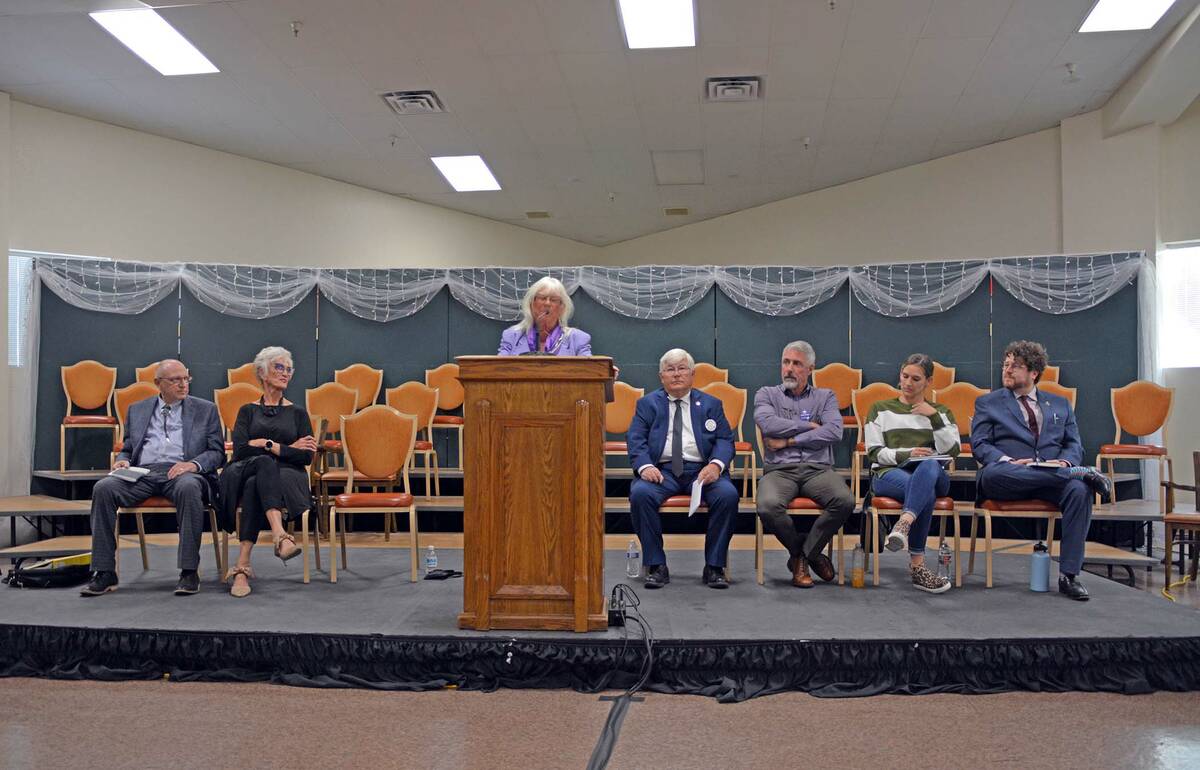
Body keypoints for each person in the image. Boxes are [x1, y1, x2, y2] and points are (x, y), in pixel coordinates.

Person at [971, 340, 1111, 601]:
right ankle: (1078, 473)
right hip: (1007, 476)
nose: (1008, 370)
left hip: (1050, 480)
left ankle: (1069, 575)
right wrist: (1006, 460)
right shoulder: (988, 403)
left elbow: (1072, 444)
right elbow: (980, 445)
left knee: (1079, 491)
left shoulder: (1060, 405)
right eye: (1006, 364)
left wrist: (1066, 462)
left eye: (1016, 366)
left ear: (1034, 372)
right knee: (992, 473)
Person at [81, 359, 225, 597]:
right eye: (175, 380)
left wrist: (192, 464)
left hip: (182, 472)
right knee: (103, 488)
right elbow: (128, 447)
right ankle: (105, 571)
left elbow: (217, 452)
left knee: (189, 488)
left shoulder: (205, 409)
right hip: (144, 473)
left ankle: (189, 571)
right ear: (158, 383)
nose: (183, 385)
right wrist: (123, 459)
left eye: (186, 378)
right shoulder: (137, 410)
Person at [627, 349, 738, 589]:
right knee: (640, 494)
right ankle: (656, 565)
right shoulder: (647, 405)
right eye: (670, 369)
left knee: (728, 495)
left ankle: (715, 566)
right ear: (661, 376)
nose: (676, 374)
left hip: (702, 471)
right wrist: (645, 466)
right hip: (663, 471)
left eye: (682, 368)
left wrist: (716, 465)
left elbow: (725, 440)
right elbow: (636, 440)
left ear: (692, 374)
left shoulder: (711, 404)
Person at [219, 346, 318, 598]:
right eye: (279, 368)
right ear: (263, 373)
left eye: (289, 369)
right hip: (250, 469)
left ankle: (242, 567)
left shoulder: (298, 413)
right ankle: (280, 536)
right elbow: (240, 451)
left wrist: (266, 445)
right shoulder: (247, 411)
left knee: (256, 481)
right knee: (261, 469)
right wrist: (284, 448)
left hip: (288, 475)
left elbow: (306, 456)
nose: (285, 373)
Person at [754, 340, 854, 588]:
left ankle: (802, 556)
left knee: (845, 500)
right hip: (779, 471)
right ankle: (807, 553)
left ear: (810, 368)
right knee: (767, 506)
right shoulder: (766, 394)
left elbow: (833, 432)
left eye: (797, 364)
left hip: (818, 470)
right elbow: (767, 424)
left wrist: (789, 441)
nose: (789, 368)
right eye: (786, 362)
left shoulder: (825, 396)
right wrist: (809, 427)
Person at [865, 354, 961, 594]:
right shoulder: (880, 409)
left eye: (915, 379)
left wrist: (934, 417)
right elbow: (874, 453)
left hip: (933, 473)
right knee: (922, 490)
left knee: (928, 465)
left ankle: (904, 523)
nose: (908, 383)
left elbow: (953, 451)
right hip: (891, 473)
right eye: (904, 376)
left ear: (928, 382)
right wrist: (907, 454)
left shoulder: (941, 412)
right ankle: (918, 566)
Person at [497, 276, 592, 356]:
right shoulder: (512, 336)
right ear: (531, 304)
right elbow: (498, 370)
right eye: (542, 298)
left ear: (561, 308)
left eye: (554, 299)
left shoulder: (578, 338)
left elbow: (590, 372)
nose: (547, 303)